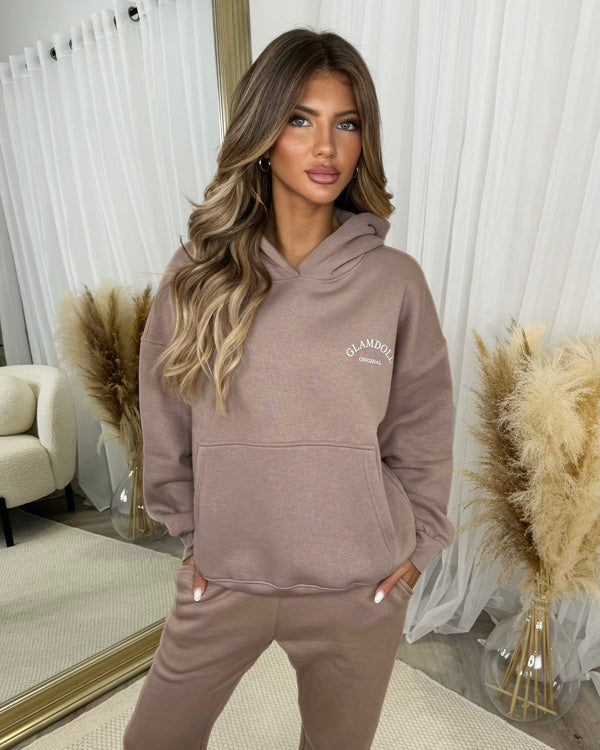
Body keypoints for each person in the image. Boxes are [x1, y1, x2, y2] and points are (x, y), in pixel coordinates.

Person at [123, 27, 455, 750]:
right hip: (226, 578)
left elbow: (422, 430)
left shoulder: (395, 282)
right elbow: (165, 419)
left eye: (347, 124)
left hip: (359, 587)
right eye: (301, 120)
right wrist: (194, 535)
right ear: (264, 134)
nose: (326, 147)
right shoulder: (197, 274)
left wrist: (418, 548)